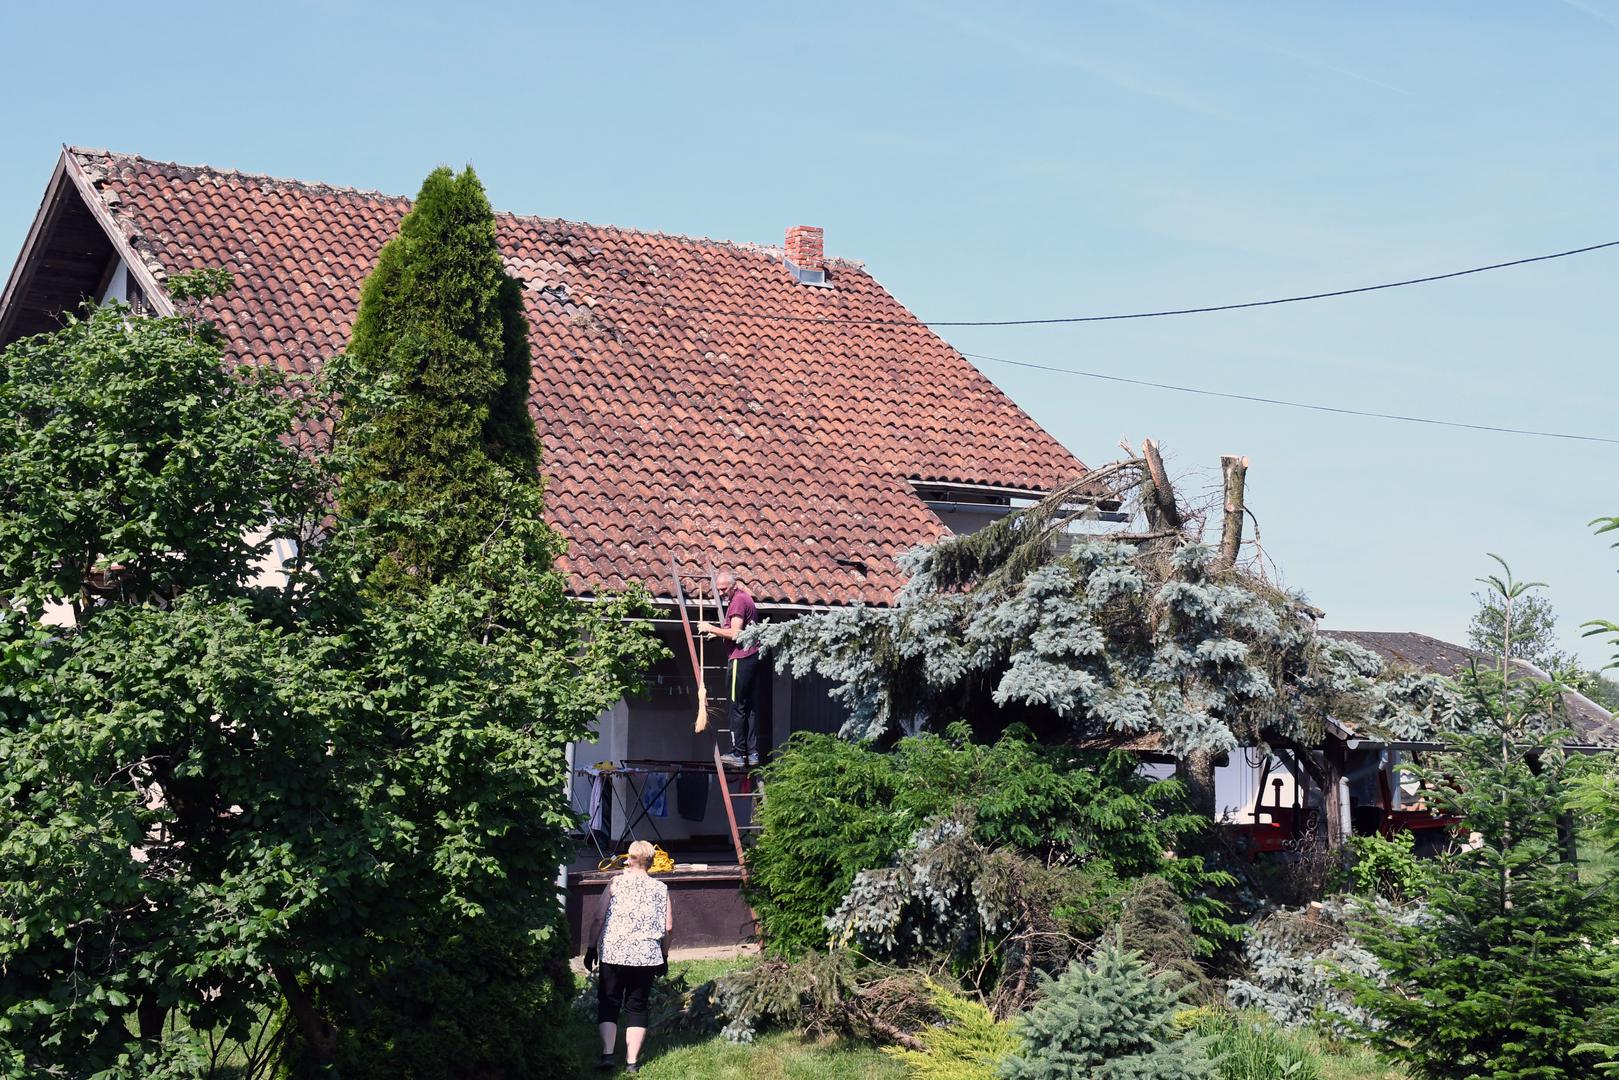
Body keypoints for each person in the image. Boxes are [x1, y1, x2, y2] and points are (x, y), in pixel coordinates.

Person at [585, 840, 671, 1073]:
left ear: (630, 859)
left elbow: (598, 918)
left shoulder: (615, 883)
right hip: (646, 956)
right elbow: (668, 927)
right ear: (652, 862)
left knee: (609, 1003)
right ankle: (632, 1063)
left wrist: (591, 948)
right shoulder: (661, 888)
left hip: (614, 953)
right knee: (637, 1006)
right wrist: (664, 955)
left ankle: (607, 1055)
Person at [698, 570, 761, 768]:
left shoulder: (738, 601)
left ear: (734, 585)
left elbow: (735, 633)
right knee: (747, 708)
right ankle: (752, 753)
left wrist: (710, 628)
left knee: (736, 707)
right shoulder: (745, 598)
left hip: (740, 660)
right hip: (751, 658)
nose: (722, 593)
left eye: (724, 589)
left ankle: (737, 752)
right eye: (719, 590)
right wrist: (718, 635)